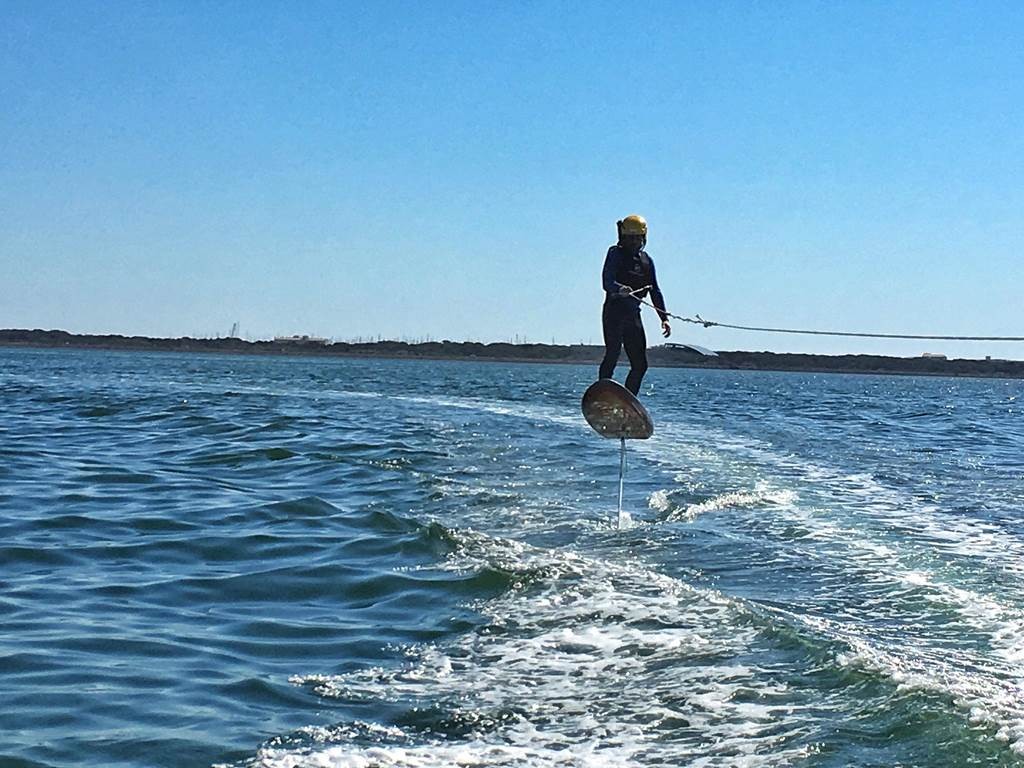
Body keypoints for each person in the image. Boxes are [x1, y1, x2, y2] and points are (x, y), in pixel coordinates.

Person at [599, 214, 670, 395]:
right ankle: (602, 395)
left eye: (637, 238)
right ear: (623, 237)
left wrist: (664, 318)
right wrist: (619, 288)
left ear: (643, 238)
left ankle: (627, 401)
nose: (634, 242)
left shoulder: (647, 261)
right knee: (613, 354)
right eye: (630, 238)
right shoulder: (614, 253)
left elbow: (655, 290)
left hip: (633, 315)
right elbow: (606, 281)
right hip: (614, 313)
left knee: (640, 365)